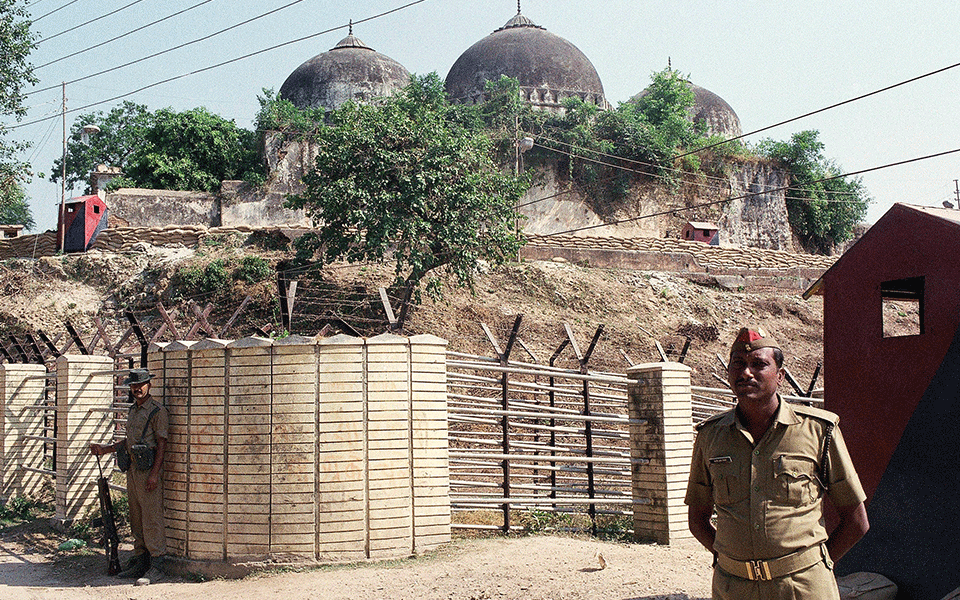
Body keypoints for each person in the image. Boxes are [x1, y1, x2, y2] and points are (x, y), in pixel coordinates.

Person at [686, 327, 869, 600]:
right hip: (734, 589)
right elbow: (697, 519)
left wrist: (814, 567)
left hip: (802, 588)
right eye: (738, 364)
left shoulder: (818, 431)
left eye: (758, 364)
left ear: (780, 376)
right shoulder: (711, 436)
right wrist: (732, 561)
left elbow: (856, 521)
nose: (746, 373)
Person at [90, 368, 169, 582]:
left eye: (141, 385)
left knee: (151, 518)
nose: (137, 389)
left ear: (149, 385)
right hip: (134, 469)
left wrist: (154, 474)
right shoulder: (133, 410)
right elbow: (130, 442)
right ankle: (140, 562)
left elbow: (161, 444)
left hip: (149, 471)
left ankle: (157, 566)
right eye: (133, 385)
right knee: (136, 518)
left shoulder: (157, 411)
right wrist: (105, 449)